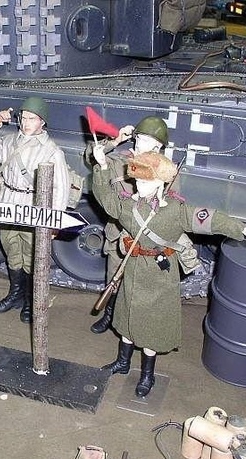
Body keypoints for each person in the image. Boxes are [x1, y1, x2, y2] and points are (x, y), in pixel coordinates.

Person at [90, 143, 246, 397]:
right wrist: (102, 165)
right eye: (137, 180)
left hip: (159, 275)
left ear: (160, 183)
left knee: (152, 326)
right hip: (134, 268)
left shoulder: (175, 210)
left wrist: (243, 229)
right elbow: (107, 199)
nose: (139, 186)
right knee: (127, 317)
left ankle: (147, 375)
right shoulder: (129, 206)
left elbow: (209, 218)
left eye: (145, 182)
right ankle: (123, 362)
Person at [0, 96, 70, 323]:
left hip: (32, 206)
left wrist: (53, 222)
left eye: (32, 119)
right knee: (11, 249)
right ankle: (15, 294)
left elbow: (61, 189)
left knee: (31, 254)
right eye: (23, 118)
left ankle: (29, 301)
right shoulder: (10, 141)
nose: (26, 123)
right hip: (8, 201)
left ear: (42, 122)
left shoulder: (51, 151)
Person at [86, 116, 169, 334]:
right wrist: (114, 141)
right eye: (138, 138)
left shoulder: (165, 169)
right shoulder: (121, 161)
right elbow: (92, 158)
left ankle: (132, 323)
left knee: (139, 286)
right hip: (119, 233)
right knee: (114, 277)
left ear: (158, 146)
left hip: (147, 238)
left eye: (146, 140)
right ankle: (110, 315)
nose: (139, 143)